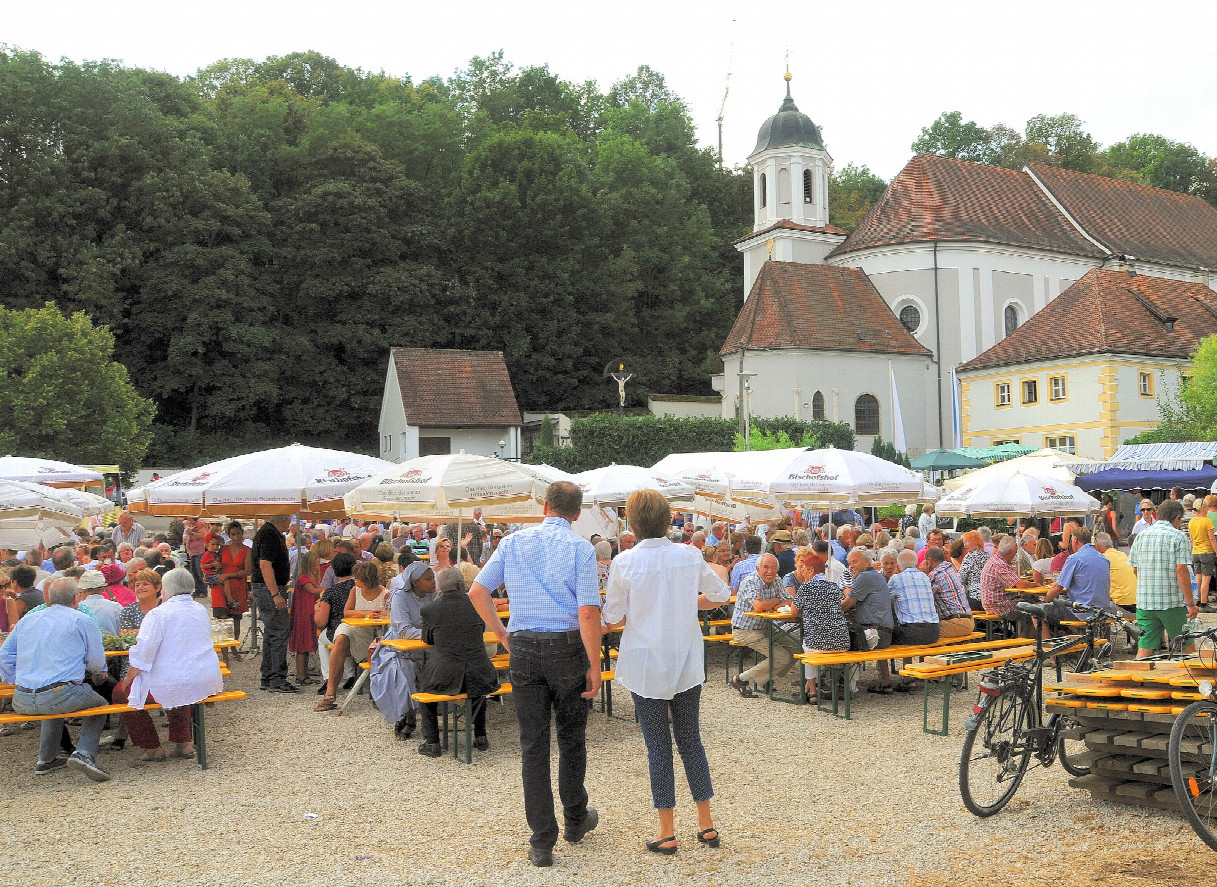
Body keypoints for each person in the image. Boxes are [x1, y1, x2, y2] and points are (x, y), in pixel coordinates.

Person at [467, 481, 602, 869]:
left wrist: (502, 633)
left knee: (533, 745)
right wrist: (594, 664)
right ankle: (576, 819)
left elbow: (478, 591)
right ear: (577, 514)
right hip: (566, 645)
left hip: (524, 644)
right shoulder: (580, 548)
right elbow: (588, 611)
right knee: (572, 738)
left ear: (544, 506)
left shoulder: (512, 543)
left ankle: (543, 840)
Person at [602, 488, 728, 854]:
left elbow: (613, 616)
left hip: (645, 661)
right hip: (686, 658)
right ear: (667, 518)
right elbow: (720, 594)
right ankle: (706, 824)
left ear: (632, 521)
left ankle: (667, 829)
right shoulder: (689, 555)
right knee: (691, 740)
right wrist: (689, 604)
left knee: (658, 746)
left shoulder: (625, 562)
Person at [0, 577, 111, 780]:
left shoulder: (27, 620)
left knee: (54, 702)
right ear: (76, 598)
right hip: (59, 695)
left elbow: (4, 655)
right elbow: (96, 662)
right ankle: (84, 753)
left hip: (22, 699)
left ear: (48, 598)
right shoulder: (81, 619)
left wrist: (16, 679)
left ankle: (46, 759)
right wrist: (98, 673)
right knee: (100, 706)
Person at [112, 568, 224, 761]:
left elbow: (142, 653)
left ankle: (152, 746)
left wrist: (129, 677)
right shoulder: (199, 609)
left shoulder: (159, 614)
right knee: (179, 683)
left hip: (178, 681)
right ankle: (183, 743)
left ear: (165, 589)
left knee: (120, 693)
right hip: (206, 679)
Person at [416, 567, 500, 757]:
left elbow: (428, 639)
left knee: (424, 686)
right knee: (477, 691)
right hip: (481, 672)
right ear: (462, 584)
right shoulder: (477, 604)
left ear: (439, 587)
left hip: (445, 674)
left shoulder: (430, 610)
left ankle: (432, 743)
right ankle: (481, 736)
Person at [370, 560, 435, 739]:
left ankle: (435, 715)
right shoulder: (400, 597)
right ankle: (406, 715)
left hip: (427, 646)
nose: (433, 582)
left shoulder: (433, 595)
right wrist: (429, 634)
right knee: (402, 672)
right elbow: (403, 629)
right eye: (428, 579)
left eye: (433, 578)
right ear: (415, 583)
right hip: (398, 647)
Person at [315, 561, 388, 712]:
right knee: (341, 638)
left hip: (373, 634)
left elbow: (387, 617)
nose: (355, 579)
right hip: (354, 628)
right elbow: (347, 612)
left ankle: (335, 689)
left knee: (342, 643)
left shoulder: (385, 594)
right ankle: (330, 691)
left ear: (365, 579)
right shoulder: (355, 590)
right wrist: (366, 614)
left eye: (357, 577)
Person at [1129, 499, 1197, 659]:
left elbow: (1135, 569)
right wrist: (1190, 603)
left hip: (1145, 602)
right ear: (1177, 518)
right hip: (1171, 602)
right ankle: (1188, 683)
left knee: (1145, 647)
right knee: (1186, 646)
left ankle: (1139, 681)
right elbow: (1182, 570)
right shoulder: (1179, 537)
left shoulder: (1140, 536)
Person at [728, 554, 798, 696]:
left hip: (765, 626)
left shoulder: (776, 579)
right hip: (745, 630)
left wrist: (770, 604)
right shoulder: (751, 582)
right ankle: (742, 679)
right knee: (782, 657)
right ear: (757, 568)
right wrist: (776, 601)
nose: (770, 571)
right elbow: (759, 607)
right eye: (766, 567)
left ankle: (765, 677)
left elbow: (791, 600)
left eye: (773, 568)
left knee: (798, 648)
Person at [789, 546, 849, 704]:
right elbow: (841, 604)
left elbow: (793, 612)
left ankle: (813, 692)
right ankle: (808, 689)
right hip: (841, 642)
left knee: (808, 647)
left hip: (818, 644)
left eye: (804, 570)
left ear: (810, 570)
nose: (802, 573)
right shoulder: (833, 586)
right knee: (812, 644)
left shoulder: (806, 588)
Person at [250, 515, 296, 693]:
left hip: (265, 588)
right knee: (279, 631)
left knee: (272, 631)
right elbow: (265, 565)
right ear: (283, 519)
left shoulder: (268, 533)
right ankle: (277, 678)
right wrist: (275, 593)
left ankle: (268, 675)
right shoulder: (269, 534)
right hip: (269, 588)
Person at [843, 547, 897, 691]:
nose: (851, 566)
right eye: (849, 563)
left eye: (855, 561)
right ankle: (886, 682)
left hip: (874, 634)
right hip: (884, 633)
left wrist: (828, 609)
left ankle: (844, 687)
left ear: (867, 562)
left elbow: (847, 605)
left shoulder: (864, 577)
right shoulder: (877, 576)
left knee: (839, 641)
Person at [1044, 528, 1115, 615]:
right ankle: (1075, 629)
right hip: (1103, 612)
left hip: (1082, 612)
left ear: (1075, 540)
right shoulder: (1104, 559)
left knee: (1040, 611)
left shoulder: (1074, 559)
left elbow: (1057, 588)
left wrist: (1045, 601)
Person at [923, 546, 975, 638]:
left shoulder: (935, 575)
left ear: (928, 561)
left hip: (956, 623)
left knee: (921, 634)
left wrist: (921, 572)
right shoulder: (950, 568)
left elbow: (923, 599)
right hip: (969, 621)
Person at [980, 538, 1034, 628]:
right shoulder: (1000, 565)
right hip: (999, 606)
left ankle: (1024, 638)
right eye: (1015, 551)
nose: (1016, 554)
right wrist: (1036, 584)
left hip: (997, 603)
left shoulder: (996, 560)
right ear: (1009, 552)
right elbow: (1020, 585)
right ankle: (1023, 640)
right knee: (1036, 614)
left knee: (1034, 607)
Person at [288, 550, 323, 685]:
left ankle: (303, 674)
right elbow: (312, 591)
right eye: (314, 565)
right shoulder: (303, 578)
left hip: (308, 614)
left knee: (305, 646)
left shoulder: (307, 578)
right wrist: (328, 588)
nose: (316, 568)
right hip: (303, 615)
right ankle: (301, 676)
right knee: (302, 647)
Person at [1095, 532, 1137, 615]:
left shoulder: (1103, 558)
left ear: (1097, 546)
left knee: (1093, 606)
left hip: (1123, 608)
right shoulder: (1122, 555)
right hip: (1138, 605)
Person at [1187, 502, 1216, 611]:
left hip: (1195, 552)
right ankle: (1204, 603)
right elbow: (1212, 539)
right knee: (1206, 579)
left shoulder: (1191, 521)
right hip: (1207, 552)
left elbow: (1192, 539)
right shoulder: (1207, 521)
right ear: (1203, 508)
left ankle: (1197, 601)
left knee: (1197, 577)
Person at [78, 569, 122, 637]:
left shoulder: (77, 608)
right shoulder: (116, 607)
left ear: (82, 589)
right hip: (113, 646)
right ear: (103, 589)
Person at [958, 531, 989, 611]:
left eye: (967, 542)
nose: (964, 545)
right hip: (988, 596)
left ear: (975, 542)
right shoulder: (987, 555)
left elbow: (960, 578)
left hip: (975, 597)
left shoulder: (970, 556)